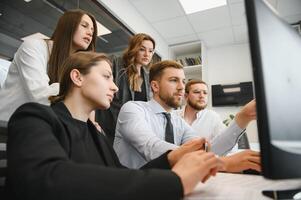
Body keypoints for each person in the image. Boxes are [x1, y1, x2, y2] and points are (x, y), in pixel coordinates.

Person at [6, 52, 224, 200]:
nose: (115, 88)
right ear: (77, 77)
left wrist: (169, 159)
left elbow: (120, 174)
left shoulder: (96, 134)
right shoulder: (34, 117)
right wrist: (175, 182)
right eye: (107, 77)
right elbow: (47, 178)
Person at [114, 60, 260, 172]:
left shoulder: (177, 122)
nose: (181, 87)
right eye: (173, 80)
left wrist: (242, 118)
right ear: (155, 86)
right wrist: (221, 163)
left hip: (165, 188)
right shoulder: (133, 109)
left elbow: (207, 149)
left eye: (183, 81)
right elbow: (151, 147)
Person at [0, 9, 97, 122]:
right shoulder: (33, 46)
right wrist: (80, 90)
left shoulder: (73, 65)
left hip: (38, 128)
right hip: (6, 127)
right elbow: (41, 95)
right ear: (68, 26)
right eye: (84, 26)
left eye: (92, 30)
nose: (90, 33)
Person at [175, 79, 261, 173]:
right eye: (196, 92)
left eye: (205, 93)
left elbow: (226, 149)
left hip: (206, 170)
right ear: (186, 96)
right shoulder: (173, 117)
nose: (202, 96)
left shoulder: (212, 117)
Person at [96, 33, 155, 144]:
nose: (147, 54)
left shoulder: (147, 76)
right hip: (110, 124)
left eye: (151, 51)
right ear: (134, 49)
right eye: (142, 49)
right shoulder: (116, 64)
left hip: (135, 129)